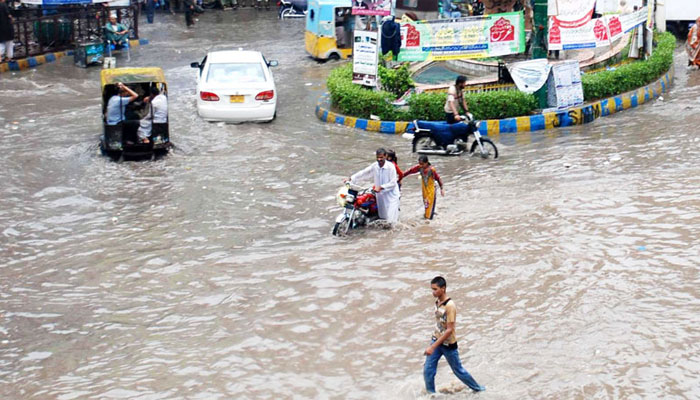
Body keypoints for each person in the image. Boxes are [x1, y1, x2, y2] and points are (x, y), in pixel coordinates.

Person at [424, 276, 485, 394]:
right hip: (436, 340)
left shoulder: (450, 306)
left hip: (448, 344)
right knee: (428, 370)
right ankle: (431, 395)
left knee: (458, 371)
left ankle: (478, 389)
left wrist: (432, 346)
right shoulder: (437, 302)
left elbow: (449, 330)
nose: (433, 292)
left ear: (443, 288)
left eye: (435, 289)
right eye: (432, 289)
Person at [346, 148, 400, 224]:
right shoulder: (375, 166)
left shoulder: (391, 167)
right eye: (378, 157)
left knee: (391, 220)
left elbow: (393, 183)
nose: (379, 159)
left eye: (381, 157)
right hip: (380, 195)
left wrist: (381, 187)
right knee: (383, 219)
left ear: (385, 156)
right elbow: (364, 173)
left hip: (391, 196)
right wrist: (351, 178)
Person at [400, 155, 444, 220]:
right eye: (420, 164)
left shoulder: (432, 170)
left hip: (431, 191)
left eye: (422, 164)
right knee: (426, 205)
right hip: (424, 190)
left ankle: (429, 219)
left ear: (427, 163)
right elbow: (410, 171)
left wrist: (442, 188)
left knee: (429, 206)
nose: (421, 165)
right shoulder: (419, 168)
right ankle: (428, 216)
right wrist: (401, 176)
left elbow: (438, 178)